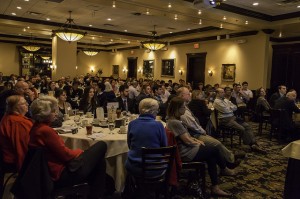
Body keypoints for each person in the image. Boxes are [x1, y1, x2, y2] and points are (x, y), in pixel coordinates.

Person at [29, 96, 107, 199]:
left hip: (50, 172)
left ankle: (96, 194)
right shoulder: (45, 131)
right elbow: (66, 155)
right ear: (44, 114)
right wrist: (81, 151)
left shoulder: (35, 128)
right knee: (102, 145)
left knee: (99, 162)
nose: (56, 113)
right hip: (62, 175)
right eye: (53, 111)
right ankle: (97, 194)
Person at [166, 97, 234, 197]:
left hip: (187, 149)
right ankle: (223, 170)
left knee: (212, 156)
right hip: (185, 153)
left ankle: (215, 186)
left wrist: (198, 140)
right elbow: (187, 141)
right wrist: (198, 143)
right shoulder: (174, 122)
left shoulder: (176, 119)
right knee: (214, 149)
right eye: (183, 107)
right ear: (178, 109)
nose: (185, 108)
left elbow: (188, 136)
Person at [177, 87, 240, 166]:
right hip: (195, 132)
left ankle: (229, 158)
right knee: (216, 143)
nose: (190, 95)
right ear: (182, 96)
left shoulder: (187, 105)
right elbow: (196, 122)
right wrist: (203, 131)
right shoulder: (187, 106)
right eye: (188, 94)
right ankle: (230, 160)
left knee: (215, 142)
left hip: (195, 130)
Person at [125, 98, 167, 197]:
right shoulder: (159, 125)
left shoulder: (132, 124)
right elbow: (164, 147)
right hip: (155, 168)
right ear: (154, 111)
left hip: (135, 167)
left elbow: (129, 145)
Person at [214, 88, 265, 153]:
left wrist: (230, 108)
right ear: (217, 93)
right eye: (222, 92)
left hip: (233, 117)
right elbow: (225, 111)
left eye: (223, 92)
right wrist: (230, 108)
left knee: (247, 126)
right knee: (241, 129)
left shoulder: (225, 100)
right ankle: (252, 145)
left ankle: (254, 142)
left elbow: (235, 107)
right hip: (225, 120)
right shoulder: (217, 101)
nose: (224, 93)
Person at [0, 95, 33, 171]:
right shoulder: (18, 122)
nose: (27, 104)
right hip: (15, 160)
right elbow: (22, 148)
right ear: (16, 107)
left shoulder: (8, 117)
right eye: (24, 103)